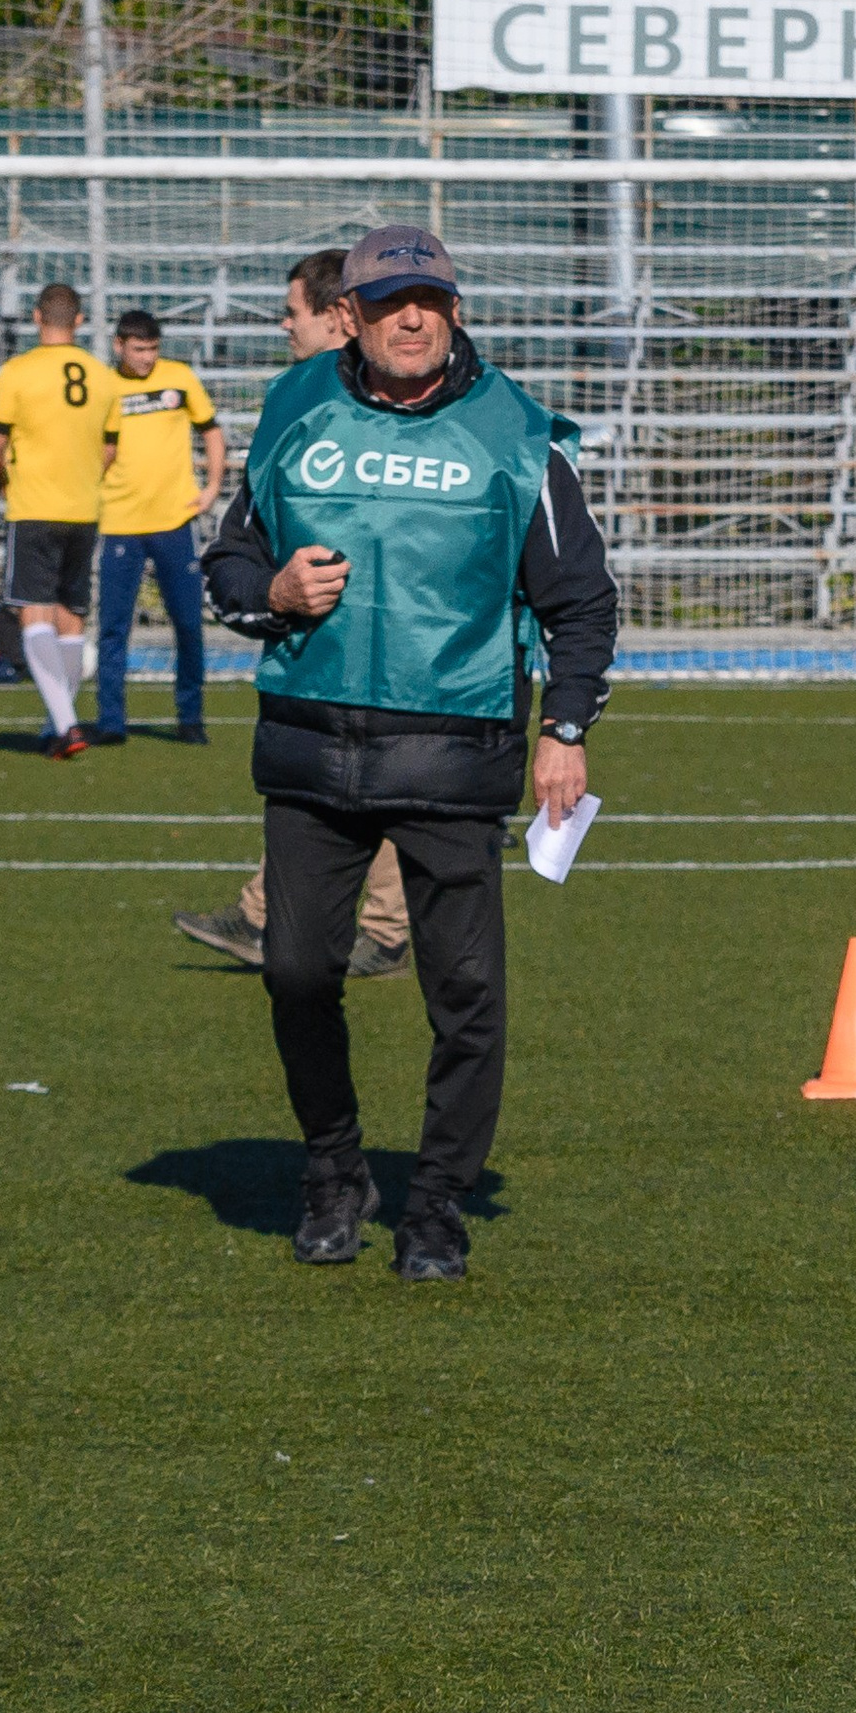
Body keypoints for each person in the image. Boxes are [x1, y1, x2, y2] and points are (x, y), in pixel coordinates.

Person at [202, 224, 619, 1279]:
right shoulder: (294, 409)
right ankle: (334, 1171)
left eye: (430, 297)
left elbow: (580, 601)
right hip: (311, 750)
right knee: (296, 972)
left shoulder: (517, 433)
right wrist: (273, 593)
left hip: (453, 753)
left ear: (456, 308)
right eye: (389, 302)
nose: (413, 317)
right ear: (348, 315)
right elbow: (231, 562)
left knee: (467, 994)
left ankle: (435, 1201)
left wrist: (564, 731)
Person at [175, 249, 413, 981]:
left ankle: (357, 924)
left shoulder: (393, 402)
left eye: (293, 312)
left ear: (339, 314)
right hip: (329, 635)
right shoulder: (301, 398)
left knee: (368, 781)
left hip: (391, 638)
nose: (283, 325)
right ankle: (271, 912)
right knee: (335, 780)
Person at [0, 285, 110, 758]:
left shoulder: (17, 372)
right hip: (84, 508)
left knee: (33, 612)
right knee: (72, 615)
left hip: (34, 506)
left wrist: (4, 481)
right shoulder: (102, 376)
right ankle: (57, 724)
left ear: (37, 317)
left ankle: (66, 723)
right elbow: (110, 450)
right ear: (79, 321)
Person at [94, 307, 224, 746]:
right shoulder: (103, 387)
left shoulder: (180, 378)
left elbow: (212, 431)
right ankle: (111, 721)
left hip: (174, 520)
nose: (147, 358)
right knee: (114, 626)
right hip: (120, 521)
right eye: (138, 349)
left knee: (188, 623)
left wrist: (212, 488)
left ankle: (191, 716)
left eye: (152, 349)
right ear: (119, 346)